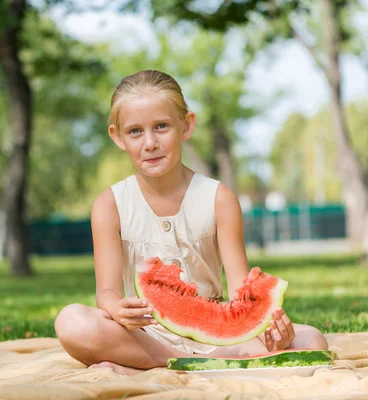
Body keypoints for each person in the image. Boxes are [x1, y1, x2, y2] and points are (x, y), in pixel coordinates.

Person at [54, 70, 328, 376]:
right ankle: (184, 363)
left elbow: (242, 293)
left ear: (186, 125)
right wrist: (117, 308)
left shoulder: (219, 198)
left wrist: (273, 331)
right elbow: (106, 291)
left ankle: (150, 367)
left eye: (161, 127)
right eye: (135, 131)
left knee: (312, 340)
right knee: (72, 321)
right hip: (145, 335)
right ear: (117, 136)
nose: (150, 143)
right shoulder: (110, 205)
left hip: (217, 336)